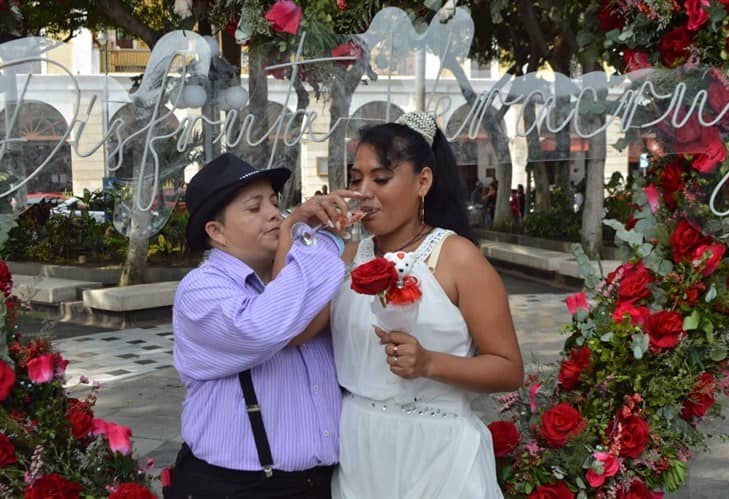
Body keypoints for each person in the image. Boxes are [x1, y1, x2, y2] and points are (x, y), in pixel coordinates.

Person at [330, 112, 524, 499]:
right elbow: (290, 330)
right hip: (358, 448)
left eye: (381, 179)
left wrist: (430, 364)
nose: (364, 191)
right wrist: (297, 231)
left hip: (438, 454)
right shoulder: (347, 257)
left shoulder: (457, 257)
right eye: (356, 179)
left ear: (423, 182)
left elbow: (508, 369)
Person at [167, 152, 355, 499]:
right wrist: (317, 239)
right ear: (216, 232)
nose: (273, 213)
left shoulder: (293, 275)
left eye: (274, 202)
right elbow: (263, 327)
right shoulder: (201, 289)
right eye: (254, 208)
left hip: (322, 483)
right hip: (236, 487)